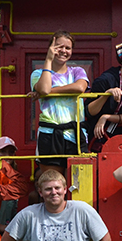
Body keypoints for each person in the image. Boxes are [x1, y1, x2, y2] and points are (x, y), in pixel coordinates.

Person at [31, 30, 90, 178]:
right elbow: (44, 88)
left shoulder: (77, 71)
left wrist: (49, 92)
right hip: (49, 133)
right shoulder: (38, 74)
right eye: (59, 47)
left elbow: (79, 88)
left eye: (68, 48)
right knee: (52, 183)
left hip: (75, 134)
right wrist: (48, 60)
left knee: (78, 183)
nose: (63, 51)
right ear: (51, 48)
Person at [0, 136, 28, 236]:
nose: (7, 156)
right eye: (3, 151)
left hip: (10, 227)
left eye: (11, 152)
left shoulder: (15, 175)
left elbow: (23, 189)